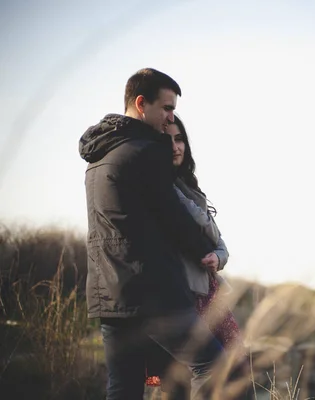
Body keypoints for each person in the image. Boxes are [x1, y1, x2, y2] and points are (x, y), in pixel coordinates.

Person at [79, 68, 225, 400]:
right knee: (212, 366)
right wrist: (206, 248)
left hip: (108, 292)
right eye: (167, 108)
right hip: (153, 291)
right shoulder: (147, 151)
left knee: (124, 387)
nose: (170, 117)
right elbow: (172, 216)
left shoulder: (97, 158)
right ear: (142, 103)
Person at [144, 115, 245, 397]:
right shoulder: (157, 187)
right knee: (170, 383)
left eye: (180, 140)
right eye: (168, 141)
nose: (176, 147)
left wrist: (219, 256)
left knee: (236, 366)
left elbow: (217, 240)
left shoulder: (189, 185)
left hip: (204, 294)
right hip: (172, 297)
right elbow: (200, 227)